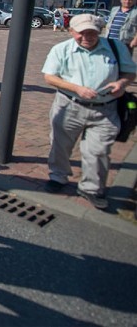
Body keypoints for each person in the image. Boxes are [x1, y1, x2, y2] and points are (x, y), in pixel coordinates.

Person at [42, 14, 136, 210]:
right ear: (72, 31)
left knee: (98, 151)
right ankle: (58, 177)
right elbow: (50, 77)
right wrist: (76, 88)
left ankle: (91, 188)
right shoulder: (62, 49)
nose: (87, 36)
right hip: (69, 105)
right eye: (81, 32)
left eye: (92, 32)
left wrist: (121, 83)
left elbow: (129, 72)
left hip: (105, 109)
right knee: (60, 145)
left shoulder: (115, 47)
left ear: (99, 32)